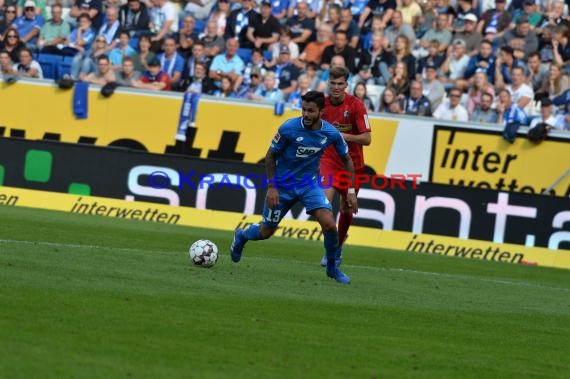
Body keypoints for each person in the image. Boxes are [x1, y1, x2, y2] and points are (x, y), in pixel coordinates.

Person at [229, 90, 357, 284]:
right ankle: (242, 236)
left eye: (311, 111)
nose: (306, 114)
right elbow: (270, 156)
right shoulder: (288, 128)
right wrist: (272, 187)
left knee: (330, 224)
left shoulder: (330, 133)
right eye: (304, 109)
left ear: (321, 112)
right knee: (266, 232)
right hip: (282, 185)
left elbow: (347, 160)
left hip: (309, 185)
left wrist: (351, 191)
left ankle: (332, 268)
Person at [319, 66, 371, 266]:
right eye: (333, 83)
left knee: (346, 208)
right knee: (323, 205)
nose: (336, 87)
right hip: (329, 161)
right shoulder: (321, 105)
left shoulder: (356, 105)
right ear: (328, 83)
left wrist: (341, 136)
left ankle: (338, 246)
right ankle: (331, 248)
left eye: (340, 84)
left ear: (346, 85)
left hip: (353, 164)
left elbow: (367, 139)